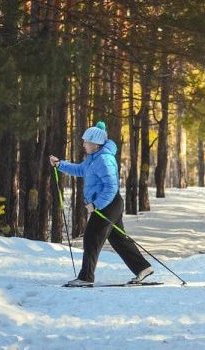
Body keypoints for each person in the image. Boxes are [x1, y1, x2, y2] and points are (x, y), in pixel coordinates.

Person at [49, 121, 153, 287]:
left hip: (108, 204)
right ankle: (143, 268)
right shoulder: (93, 158)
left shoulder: (104, 159)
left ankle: (86, 278)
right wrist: (60, 164)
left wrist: (96, 204)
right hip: (109, 204)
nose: (84, 144)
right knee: (118, 239)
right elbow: (79, 170)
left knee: (91, 237)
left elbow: (111, 187)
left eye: (86, 142)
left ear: (95, 144)